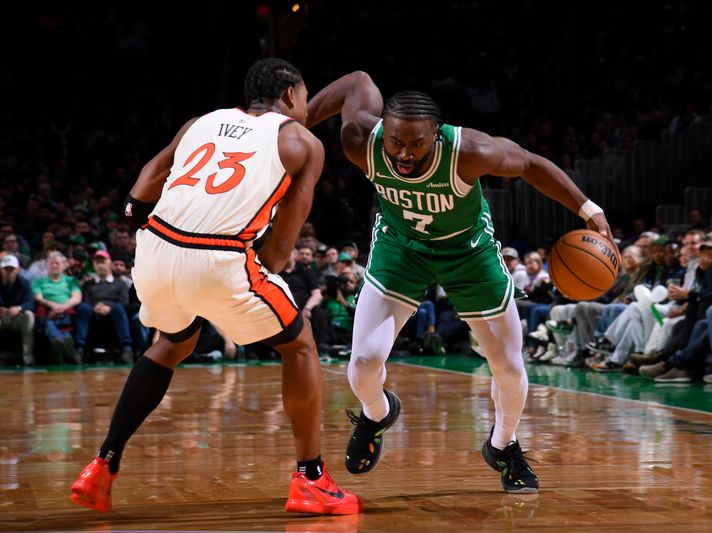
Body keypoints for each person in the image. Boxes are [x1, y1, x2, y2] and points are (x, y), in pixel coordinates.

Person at [69, 58, 360, 516]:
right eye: (304, 98)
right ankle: (311, 479)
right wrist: (229, 281)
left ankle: (102, 465)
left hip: (154, 248)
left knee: (171, 344)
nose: (306, 109)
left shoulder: (200, 122)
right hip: (221, 255)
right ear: (289, 96)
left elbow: (146, 181)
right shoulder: (300, 141)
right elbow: (282, 248)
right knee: (300, 345)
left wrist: (155, 237)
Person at [305, 72, 615, 493]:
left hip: (469, 253)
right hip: (402, 247)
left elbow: (529, 163)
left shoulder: (469, 151)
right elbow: (356, 82)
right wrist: (291, 124)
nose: (404, 153)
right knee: (361, 365)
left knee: (507, 366)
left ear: (437, 135)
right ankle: (377, 413)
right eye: (396, 141)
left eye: (417, 143)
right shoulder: (362, 137)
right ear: (384, 131)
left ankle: (503, 445)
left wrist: (589, 209)